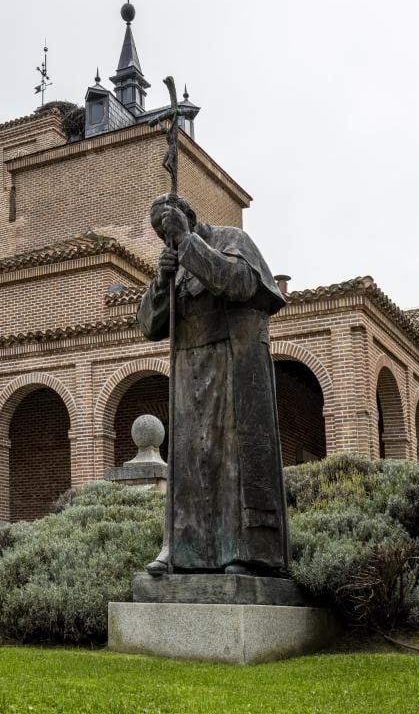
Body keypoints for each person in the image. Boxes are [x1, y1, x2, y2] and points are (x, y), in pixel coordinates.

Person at [138, 194, 290, 577]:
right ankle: (183, 551)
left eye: (168, 227)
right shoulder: (176, 263)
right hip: (190, 370)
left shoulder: (230, 239)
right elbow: (148, 325)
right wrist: (163, 280)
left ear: (187, 217)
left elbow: (240, 283)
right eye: (160, 232)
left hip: (235, 365)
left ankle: (248, 553)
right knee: (189, 463)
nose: (164, 236)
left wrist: (188, 244)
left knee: (234, 460)